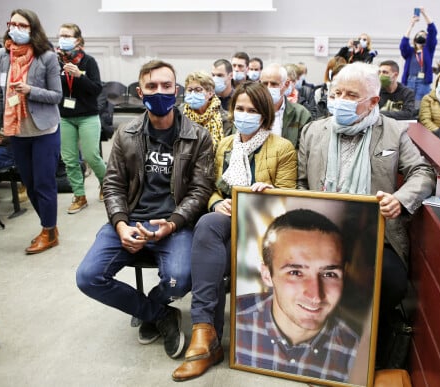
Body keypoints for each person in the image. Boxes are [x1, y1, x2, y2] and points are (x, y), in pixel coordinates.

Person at [297, 62, 436, 367]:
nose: (340, 100)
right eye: (337, 92)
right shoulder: (313, 131)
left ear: (373, 101)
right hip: (320, 229)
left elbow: (423, 172)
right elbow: (299, 182)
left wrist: (400, 199)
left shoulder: (393, 134)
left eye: (350, 95)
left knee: (389, 281)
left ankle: (367, 355)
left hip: (376, 234)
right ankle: (319, 349)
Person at [75, 60, 215, 359]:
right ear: (140, 92)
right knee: (88, 277)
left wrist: (173, 223)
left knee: (181, 279)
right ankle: (161, 315)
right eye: (152, 86)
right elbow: (112, 186)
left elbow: (200, 190)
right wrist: (121, 225)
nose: (160, 92)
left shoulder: (198, 136)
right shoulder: (126, 134)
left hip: (174, 225)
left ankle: (152, 305)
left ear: (176, 91)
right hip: (131, 221)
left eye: (166, 86)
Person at [171, 81, 297, 381]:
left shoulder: (282, 148)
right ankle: (205, 333)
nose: (244, 114)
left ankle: (206, 340)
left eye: (252, 110)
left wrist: (269, 192)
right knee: (207, 223)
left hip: (263, 221)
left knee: (210, 259)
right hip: (228, 218)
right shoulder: (226, 145)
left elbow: (290, 196)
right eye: (239, 108)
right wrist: (216, 203)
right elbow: (211, 188)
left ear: (264, 115)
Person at [234, 209, 358, 383]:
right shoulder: (236, 322)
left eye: (329, 274)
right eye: (295, 272)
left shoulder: (355, 352)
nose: (316, 296)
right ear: (267, 275)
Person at [0, 9, 63, 254]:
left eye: (22, 25)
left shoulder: (47, 57)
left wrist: (29, 90)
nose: (15, 28)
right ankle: (49, 225)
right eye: (12, 23)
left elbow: (56, 96)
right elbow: (0, 94)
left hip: (44, 130)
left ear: (33, 28)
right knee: (30, 185)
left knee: (44, 183)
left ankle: (49, 230)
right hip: (16, 131)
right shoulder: (3, 55)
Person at [56, 23, 107, 215]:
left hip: (88, 116)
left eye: (67, 35)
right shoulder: (55, 61)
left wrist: (79, 76)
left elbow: (96, 89)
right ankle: (79, 195)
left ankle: (107, 185)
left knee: (92, 156)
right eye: (61, 35)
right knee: (69, 159)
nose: (63, 39)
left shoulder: (88, 61)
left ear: (77, 40)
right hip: (65, 116)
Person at [259, 63, 312, 149]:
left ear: (286, 84)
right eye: (265, 84)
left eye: (274, 84)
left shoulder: (301, 114)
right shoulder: (251, 111)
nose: (268, 88)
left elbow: (304, 150)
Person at [182, 70, 232, 151]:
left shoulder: (226, 119)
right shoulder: (179, 116)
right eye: (190, 90)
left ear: (210, 93)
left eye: (198, 90)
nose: (193, 94)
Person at [400, 7, 437, 103]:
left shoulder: (428, 50)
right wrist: (411, 25)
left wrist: (424, 14)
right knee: (408, 104)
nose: (421, 36)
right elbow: (403, 45)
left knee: (420, 105)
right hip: (410, 81)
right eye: (419, 35)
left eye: (424, 35)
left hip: (423, 82)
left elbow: (432, 31)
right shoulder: (410, 52)